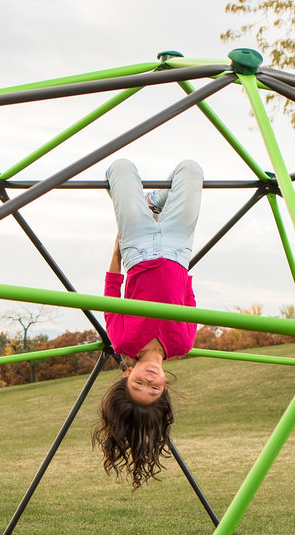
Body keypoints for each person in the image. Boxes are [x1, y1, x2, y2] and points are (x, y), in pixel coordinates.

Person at [92, 158, 203, 490]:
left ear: (128, 373)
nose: (149, 380)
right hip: (178, 248)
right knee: (191, 170)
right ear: (164, 385)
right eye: (154, 389)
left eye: (138, 384)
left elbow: (111, 293)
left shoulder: (123, 341)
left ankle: (152, 204)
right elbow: (189, 300)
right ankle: (155, 203)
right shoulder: (182, 343)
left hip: (136, 248)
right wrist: (182, 272)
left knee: (120, 168)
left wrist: (117, 253)